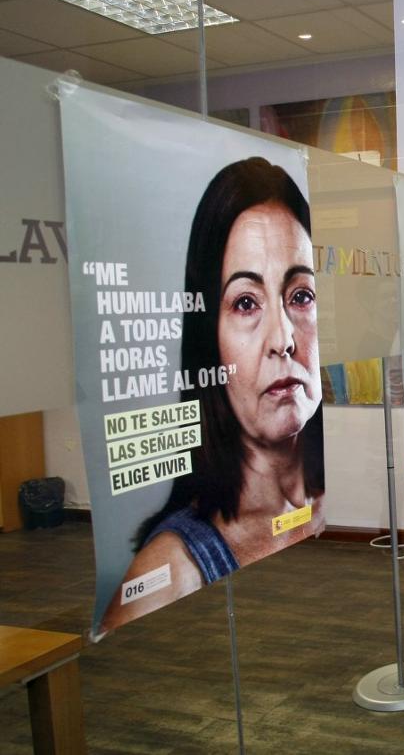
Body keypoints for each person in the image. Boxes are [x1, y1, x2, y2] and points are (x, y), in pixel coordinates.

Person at [101, 158, 324, 632]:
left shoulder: (325, 503)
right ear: (210, 338)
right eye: (246, 303)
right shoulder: (168, 575)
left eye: (300, 295)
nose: (282, 338)